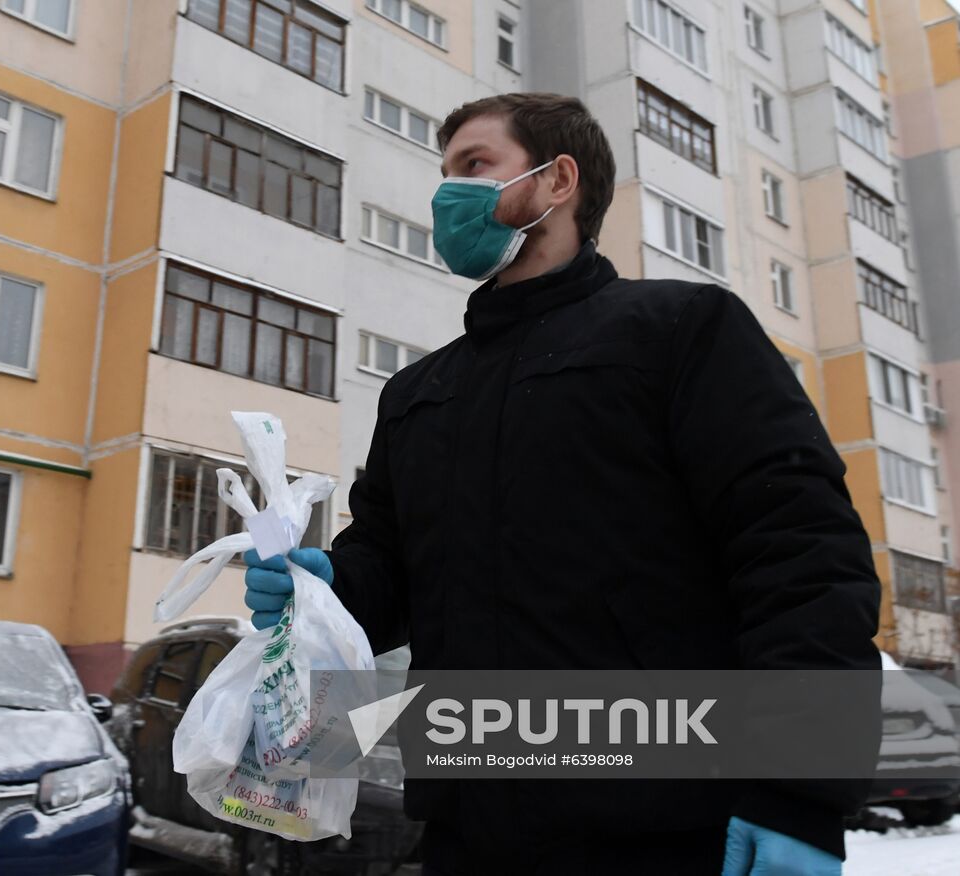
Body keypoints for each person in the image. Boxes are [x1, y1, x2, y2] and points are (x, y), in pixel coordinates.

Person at [243, 93, 881, 875]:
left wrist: (801, 793)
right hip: (466, 828)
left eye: (475, 166)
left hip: (672, 826)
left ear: (558, 181)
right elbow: (393, 575)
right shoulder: (418, 393)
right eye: (443, 173)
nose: (449, 195)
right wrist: (330, 585)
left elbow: (802, 556)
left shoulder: (683, 331)